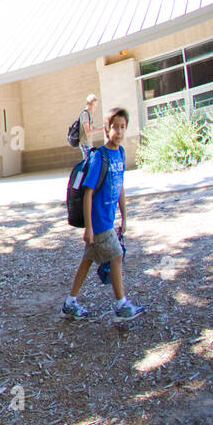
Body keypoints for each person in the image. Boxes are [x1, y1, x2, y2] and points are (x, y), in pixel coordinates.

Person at [62, 107, 144, 320]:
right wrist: (89, 228)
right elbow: (88, 193)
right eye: (115, 127)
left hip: (108, 219)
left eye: (123, 127)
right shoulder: (100, 156)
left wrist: (124, 216)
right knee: (116, 255)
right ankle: (121, 305)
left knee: (87, 260)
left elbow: (120, 187)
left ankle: (69, 303)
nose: (119, 131)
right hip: (99, 223)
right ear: (107, 129)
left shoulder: (121, 154)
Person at [77, 93, 103, 161]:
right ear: (89, 104)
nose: (94, 108)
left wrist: (100, 128)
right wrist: (100, 130)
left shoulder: (89, 114)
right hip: (85, 143)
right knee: (88, 163)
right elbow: (88, 132)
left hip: (88, 143)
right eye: (94, 106)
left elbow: (91, 128)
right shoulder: (85, 114)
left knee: (89, 162)